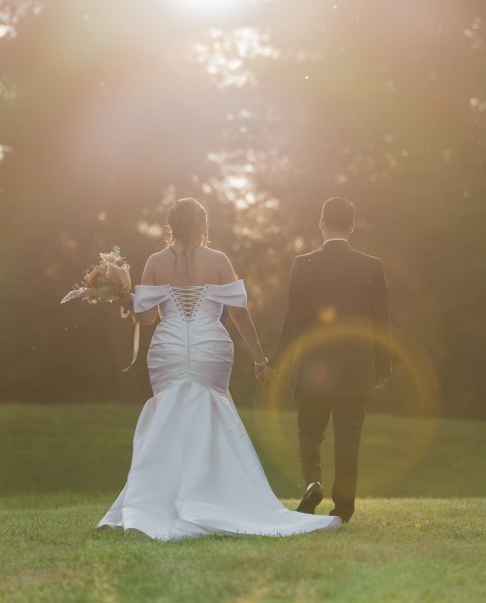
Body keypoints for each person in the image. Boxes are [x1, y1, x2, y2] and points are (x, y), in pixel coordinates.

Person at [96, 197, 340, 541]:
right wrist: (259, 357)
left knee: (169, 413)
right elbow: (239, 314)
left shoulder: (155, 261)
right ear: (203, 226)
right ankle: (214, 495)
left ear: (171, 226)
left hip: (169, 347)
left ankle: (153, 503)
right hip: (211, 345)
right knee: (209, 411)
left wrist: (124, 298)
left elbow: (147, 318)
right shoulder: (219, 260)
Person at [257, 197, 392, 524]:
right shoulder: (372, 266)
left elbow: (293, 321)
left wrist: (274, 362)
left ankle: (312, 482)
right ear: (352, 225)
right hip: (357, 367)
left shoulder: (304, 264)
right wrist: (382, 366)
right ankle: (343, 508)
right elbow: (381, 321)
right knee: (348, 440)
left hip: (314, 366)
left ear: (321, 223)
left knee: (309, 432)